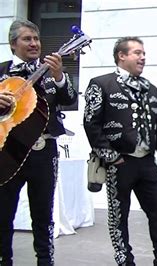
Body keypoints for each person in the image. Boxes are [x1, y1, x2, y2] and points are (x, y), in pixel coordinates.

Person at [83, 37, 157, 266]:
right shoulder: (101, 83)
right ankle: (125, 261)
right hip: (119, 163)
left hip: (146, 162)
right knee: (118, 215)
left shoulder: (150, 88)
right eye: (137, 53)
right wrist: (111, 156)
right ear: (121, 56)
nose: (143, 57)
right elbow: (91, 123)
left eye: (143, 53)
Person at [0, 19, 77, 266]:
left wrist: (59, 76)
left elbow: (69, 98)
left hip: (44, 151)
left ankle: (45, 261)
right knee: (3, 213)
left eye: (36, 39)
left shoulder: (51, 70)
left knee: (43, 215)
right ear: (13, 45)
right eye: (27, 39)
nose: (34, 43)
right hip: (8, 152)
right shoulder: (1, 72)